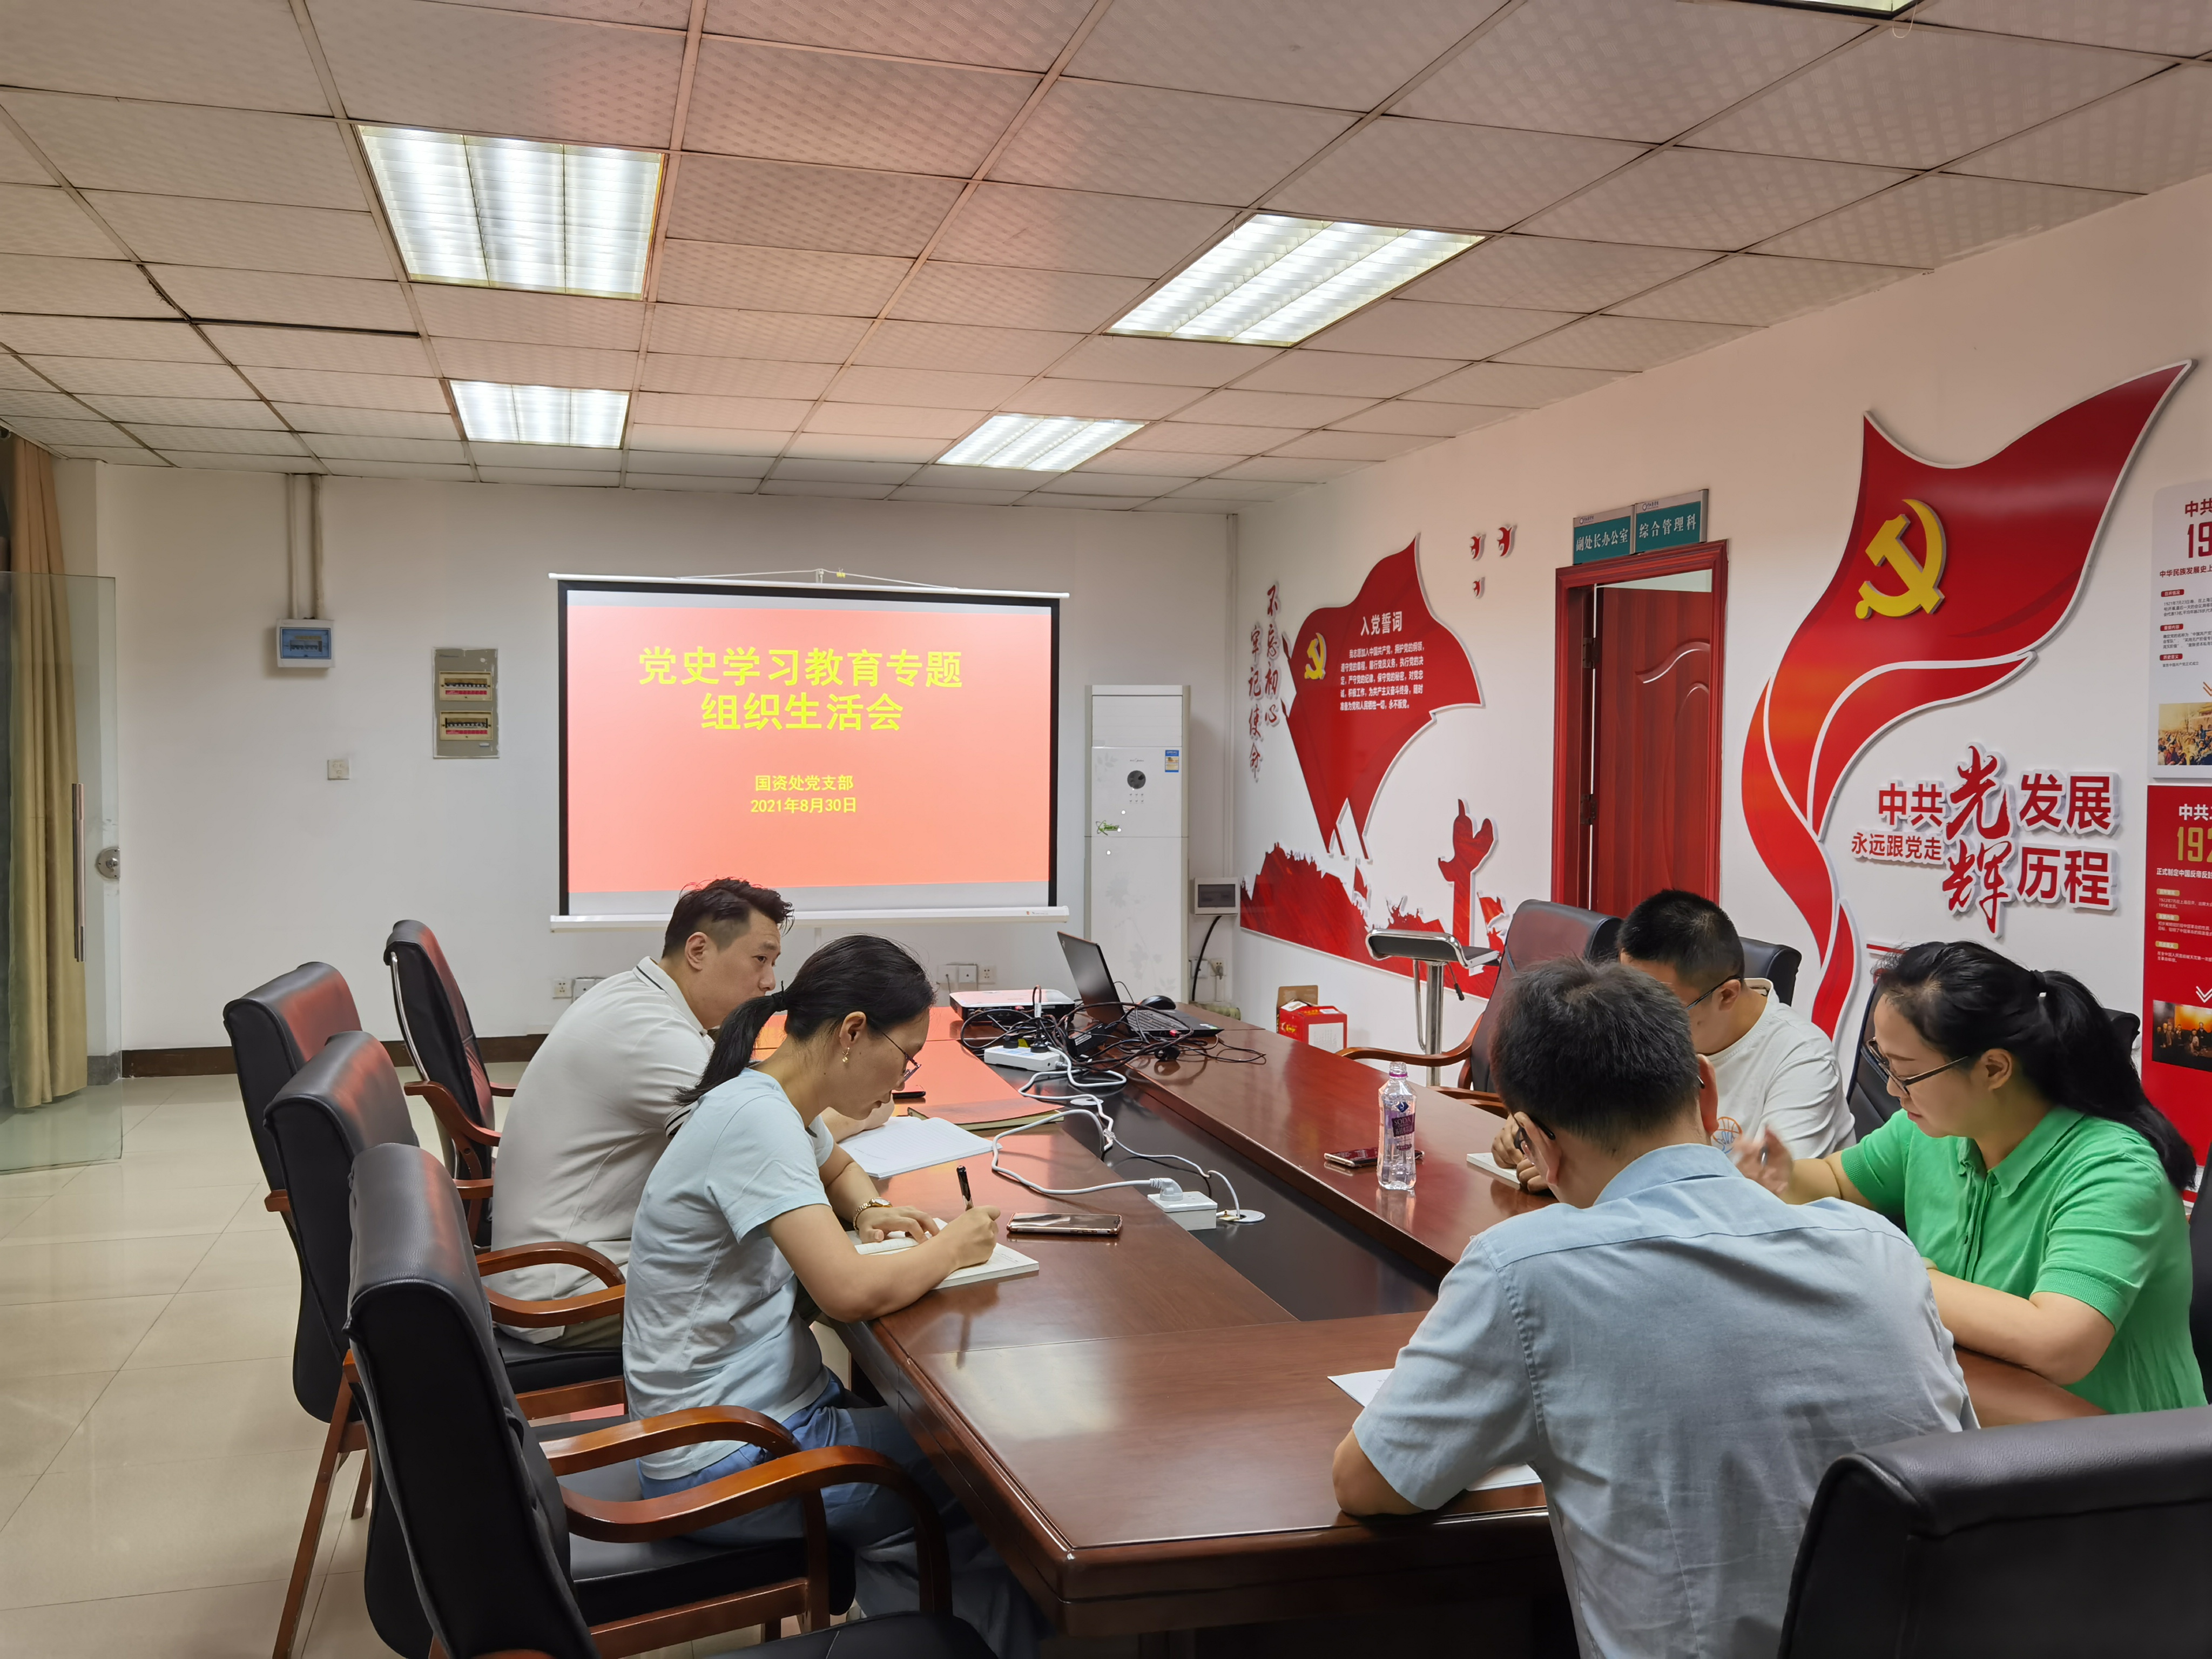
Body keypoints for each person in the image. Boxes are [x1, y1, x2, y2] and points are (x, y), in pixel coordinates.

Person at [1337, 959, 1972, 1659]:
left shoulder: (1525, 1271)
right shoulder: (1879, 1248)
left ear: (1537, 1145)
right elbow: (1956, 1471)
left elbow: (1371, 1484)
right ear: (1707, 1091)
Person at [622, 934, 1047, 1658]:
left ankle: (907, 1619)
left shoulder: (770, 1096)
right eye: (905, 1055)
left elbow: (836, 1161)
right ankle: (938, 1639)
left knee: (954, 1457)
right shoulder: (755, 1121)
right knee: (984, 1485)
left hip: (740, 1420)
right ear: (853, 1032)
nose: (902, 1075)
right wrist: (953, 1246)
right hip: (725, 1455)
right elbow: (846, 1293)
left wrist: (865, 1210)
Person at [1737, 941, 2205, 1415]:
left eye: (1908, 1073)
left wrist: (1893, 1269)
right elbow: (1838, 1182)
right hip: (1972, 1413)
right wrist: (1784, 1174)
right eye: (1886, 1065)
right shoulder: (1931, 1131)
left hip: (2126, 1454)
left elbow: (2060, 1344)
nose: (1894, 1092)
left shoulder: (2113, 1169)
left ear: (1994, 1069)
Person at [488, 878, 892, 1348]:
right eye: (760, 959)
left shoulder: (650, 1004)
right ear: (698, 950)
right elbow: (766, 1141)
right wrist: (857, 1112)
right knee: (822, 1271)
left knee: (831, 1250)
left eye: (774, 964)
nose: (768, 982)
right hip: (568, 1290)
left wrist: (869, 1208)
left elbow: (788, 1134)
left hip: (582, 1259)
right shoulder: (649, 1033)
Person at [1492, 890, 1851, 1190]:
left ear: (1726, 995)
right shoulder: (1635, 1023)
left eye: (1657, 1003)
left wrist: (1584, 1177)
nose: (1634, 1017)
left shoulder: (1802, 1057)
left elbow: (1771, 1190)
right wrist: (1542, 1132)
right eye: (1625, 990)